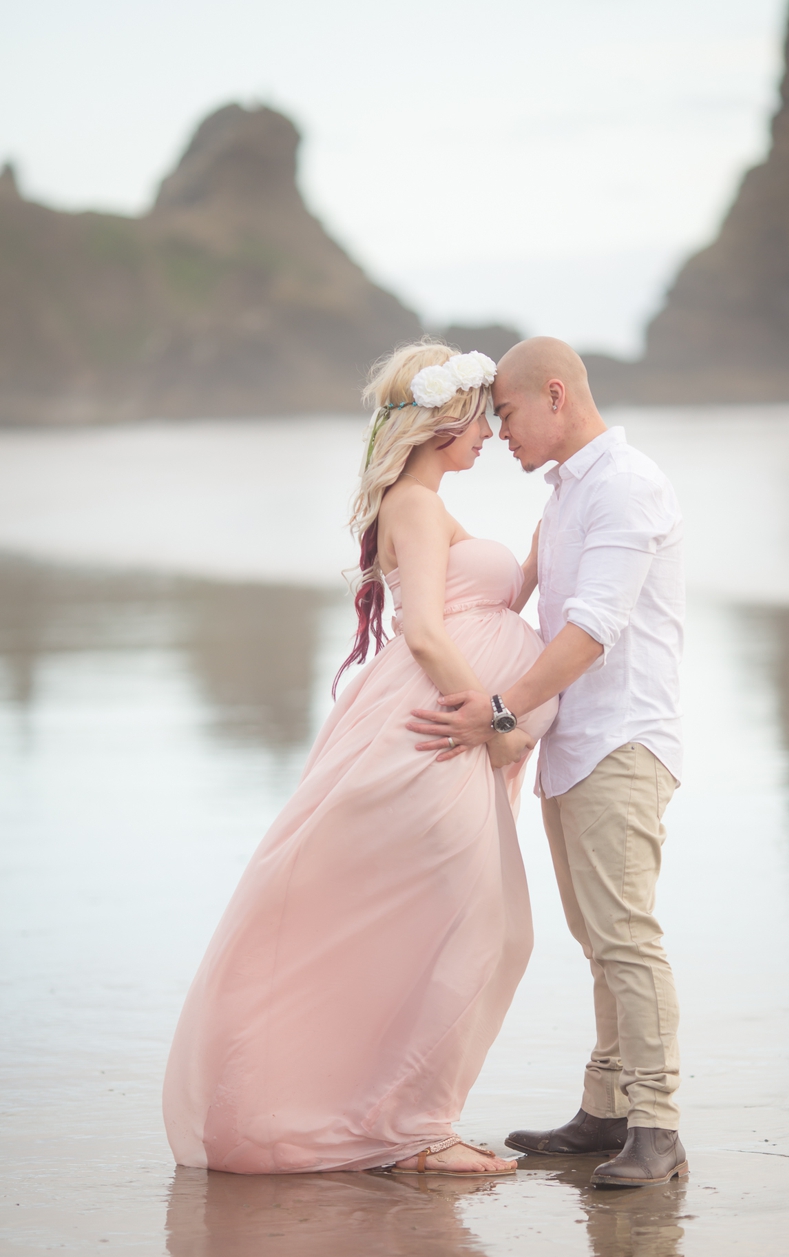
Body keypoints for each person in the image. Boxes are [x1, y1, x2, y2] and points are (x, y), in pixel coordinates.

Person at [162, 342, 557, 1177]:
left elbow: (478, 605)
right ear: (442, 420)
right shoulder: (414, 502)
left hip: (447, 734)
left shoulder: (428, 505)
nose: (489, 434)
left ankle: (408, 1118)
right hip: (437, 734)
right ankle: (417, 1131)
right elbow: (427, 633)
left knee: (488, 928)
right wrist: (496, 724)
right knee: (477, 926)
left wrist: (548, 546)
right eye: (479, 418)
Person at [408, 337, 688, 1188]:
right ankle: (606, 1110)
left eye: (508, 413)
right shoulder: (569, 492)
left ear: (556, 395)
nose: (501, 433)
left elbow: (593, 631)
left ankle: (658, 1128)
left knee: (625, 936)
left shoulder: (626, 486)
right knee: (598, 937)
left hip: (622, 740)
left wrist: (499, 711)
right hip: (575, 744)